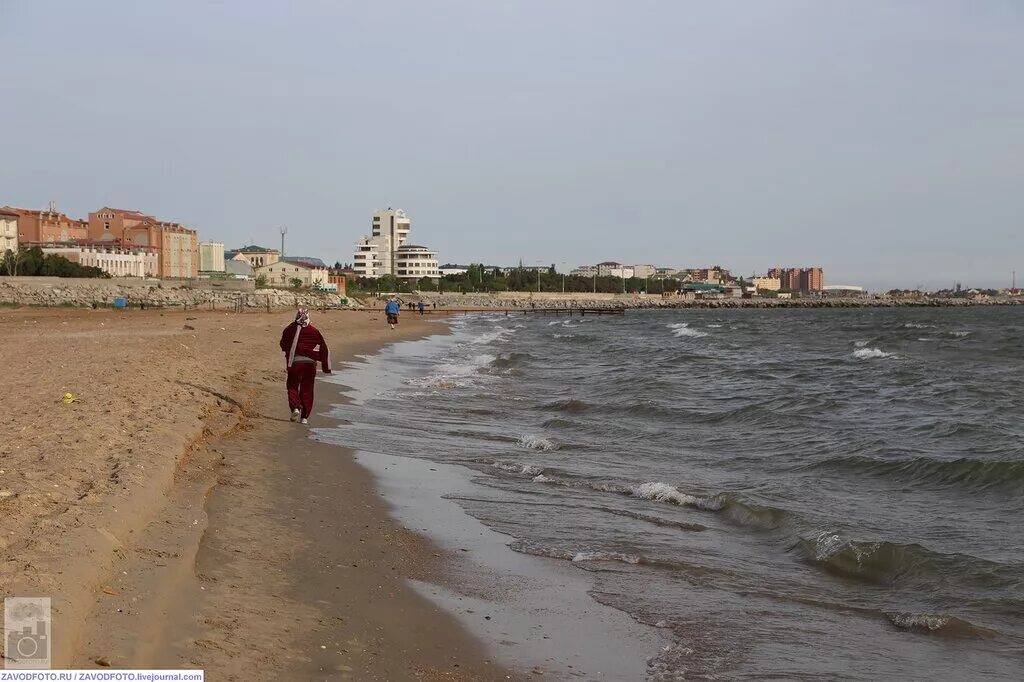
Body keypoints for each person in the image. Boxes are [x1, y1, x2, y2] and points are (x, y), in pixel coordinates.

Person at [279, 308, 331, 424]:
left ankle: (295, 407)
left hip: (295, 363)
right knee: (307, 389)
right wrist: (326, 367)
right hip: (310, 364)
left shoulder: (290, 329)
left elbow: (283, 344)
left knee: (292, 386)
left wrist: (288, 351)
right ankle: (304, 417)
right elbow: (324, 349)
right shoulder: (314, 331)